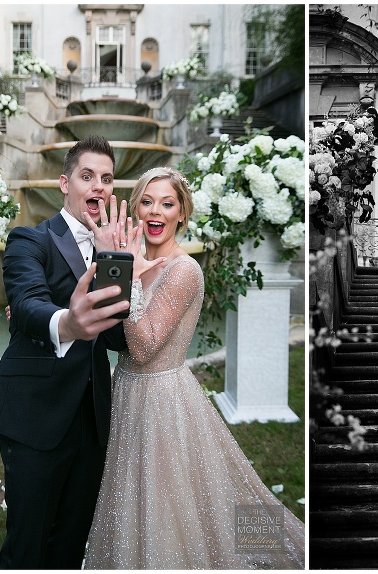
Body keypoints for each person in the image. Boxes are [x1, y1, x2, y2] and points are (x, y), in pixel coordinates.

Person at [84, 167, 305, 569]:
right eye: (147, 202)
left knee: (171, 497)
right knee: (131, 494)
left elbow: (144, 346)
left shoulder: (184, 270)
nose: (156, 211)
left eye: (167, 204)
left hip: (161, 399)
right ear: (136, 209)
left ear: (182, 213)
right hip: (127, 391)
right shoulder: (134, 259)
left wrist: (131, 281)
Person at [0, 135, 162, 569]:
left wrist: (128, 275)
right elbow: (27, 305)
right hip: (35, 415)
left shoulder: (115, 250)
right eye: (87, 176)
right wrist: (67, 323)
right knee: (28, 544)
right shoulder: (30, 239)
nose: (98, 186)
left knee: (71, 542)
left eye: (106, 179)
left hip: (91, 420)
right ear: (65, 183)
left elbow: (116, 340)